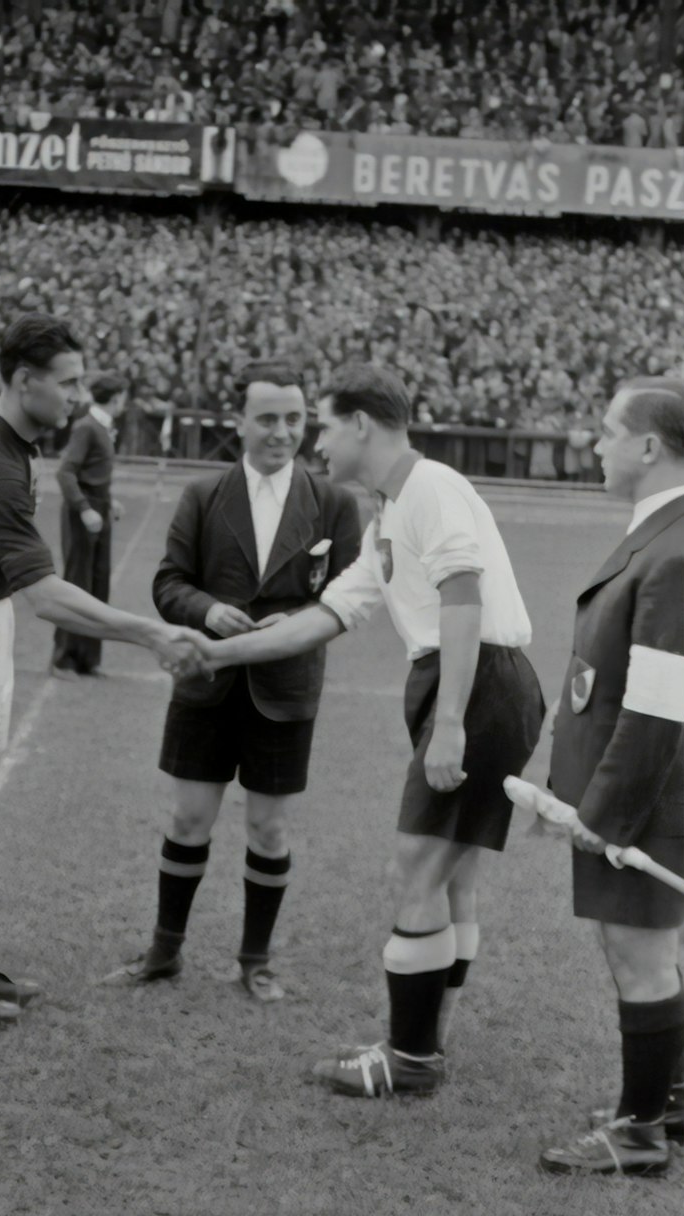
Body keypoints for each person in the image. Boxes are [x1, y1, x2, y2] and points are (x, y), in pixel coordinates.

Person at [202, 361, 545, 1088]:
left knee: (417, 866)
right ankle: (428, 1041)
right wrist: (218, 651)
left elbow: (462, 594)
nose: (316, 442)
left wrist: (450, 720)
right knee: (452, 877)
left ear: (361, 423)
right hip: (466, 682)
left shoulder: (431, 488)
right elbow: (327, 616)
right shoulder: (390, 512)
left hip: (477, 682)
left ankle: (409, 1060)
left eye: (324, 424)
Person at [0, 313, 208, 1028]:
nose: (79, 396)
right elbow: (45, 596)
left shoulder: (14, 438)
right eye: (68, 382)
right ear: (24, 382)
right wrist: (150, 630)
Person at [105, 359, 360, 1002]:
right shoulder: (203, 495)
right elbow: (168, 584)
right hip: (206, 684)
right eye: (267, 418)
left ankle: (256, 961)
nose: (282, 432)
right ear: (239, 422)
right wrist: (206, 610)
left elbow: (348, 599)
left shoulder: (333, 502)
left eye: (295, 419)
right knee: (189, 819)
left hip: (286, 689)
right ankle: (164, 953)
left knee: (269, 830)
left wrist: (294, 621)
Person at [539, 377, 684, 1176]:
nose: (593, 445)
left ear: (649, 446)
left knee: (642, 955)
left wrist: (608, 814)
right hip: (646, 791)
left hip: (651, 797)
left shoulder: (679, 543)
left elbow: (660, 704)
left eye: (605, 431)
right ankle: (671, 1102)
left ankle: (638, 1133)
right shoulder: (664, 531)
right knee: (650, 950)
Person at [51, 371, 129, 679]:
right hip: (83, 512)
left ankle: (88, 658)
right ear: (116, 398)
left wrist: (109, 501)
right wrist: (84, 509)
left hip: (99, 508)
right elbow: (65, 473)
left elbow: (94, 473)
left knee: (98, 585)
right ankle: (62, 659)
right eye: (124, 397)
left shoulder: (105, 427)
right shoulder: (87, 427)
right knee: (77, 584)